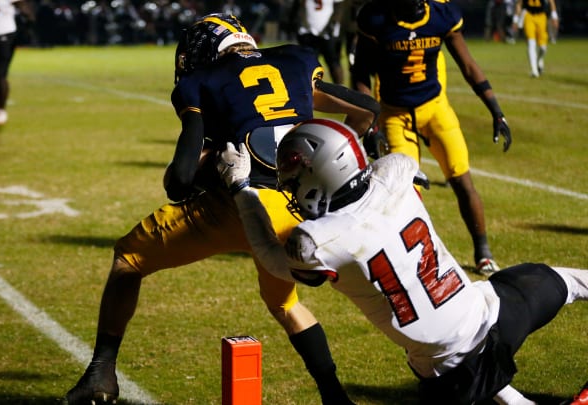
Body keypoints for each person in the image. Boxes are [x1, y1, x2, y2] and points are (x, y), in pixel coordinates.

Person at [64, 13, 380, 405]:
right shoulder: (295, 60)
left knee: (128, 259)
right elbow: (366, 110)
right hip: (299, 210)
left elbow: (178, 182)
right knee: (285, 303)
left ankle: (101, 374)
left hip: (236, 207)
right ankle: (334, 397)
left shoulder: (203, 81)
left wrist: (209, 161)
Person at [216, 117, 588, 405]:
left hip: (448, 371)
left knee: (467, 372)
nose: (292, 189)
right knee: (569, 282)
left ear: (320, 175)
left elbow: (271, 258)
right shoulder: (397, 169)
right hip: (494, 311)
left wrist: (241, 188)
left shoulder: (316, 242)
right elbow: (394, 165)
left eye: (294, 180)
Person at [350, 0, 512, 276]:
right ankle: (415, 260)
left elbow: (469, 65)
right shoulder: (375, 17)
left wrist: (497, 112)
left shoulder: (441, 15)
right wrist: (371, 121)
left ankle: (483, 252)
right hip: (395, 113)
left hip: (435, 108)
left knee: (461, 177)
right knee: (405, 193)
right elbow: (361, 73)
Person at [296, 0, 345, 84]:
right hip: (308, 32)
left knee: (333, 62)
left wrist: (332, 24)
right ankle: (310, 89)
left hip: (327, 33)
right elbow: (300, 6)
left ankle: (340, 89)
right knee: (308, 63)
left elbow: (339, 7)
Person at [512, 0, 559, 78]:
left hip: (541, 16)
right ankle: (534, 71)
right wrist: (515, 20)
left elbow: (551, 1)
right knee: (531, 42)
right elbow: (519, 4)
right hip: (528, 15)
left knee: (543, 47)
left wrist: (554, 16)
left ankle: (539, 60)